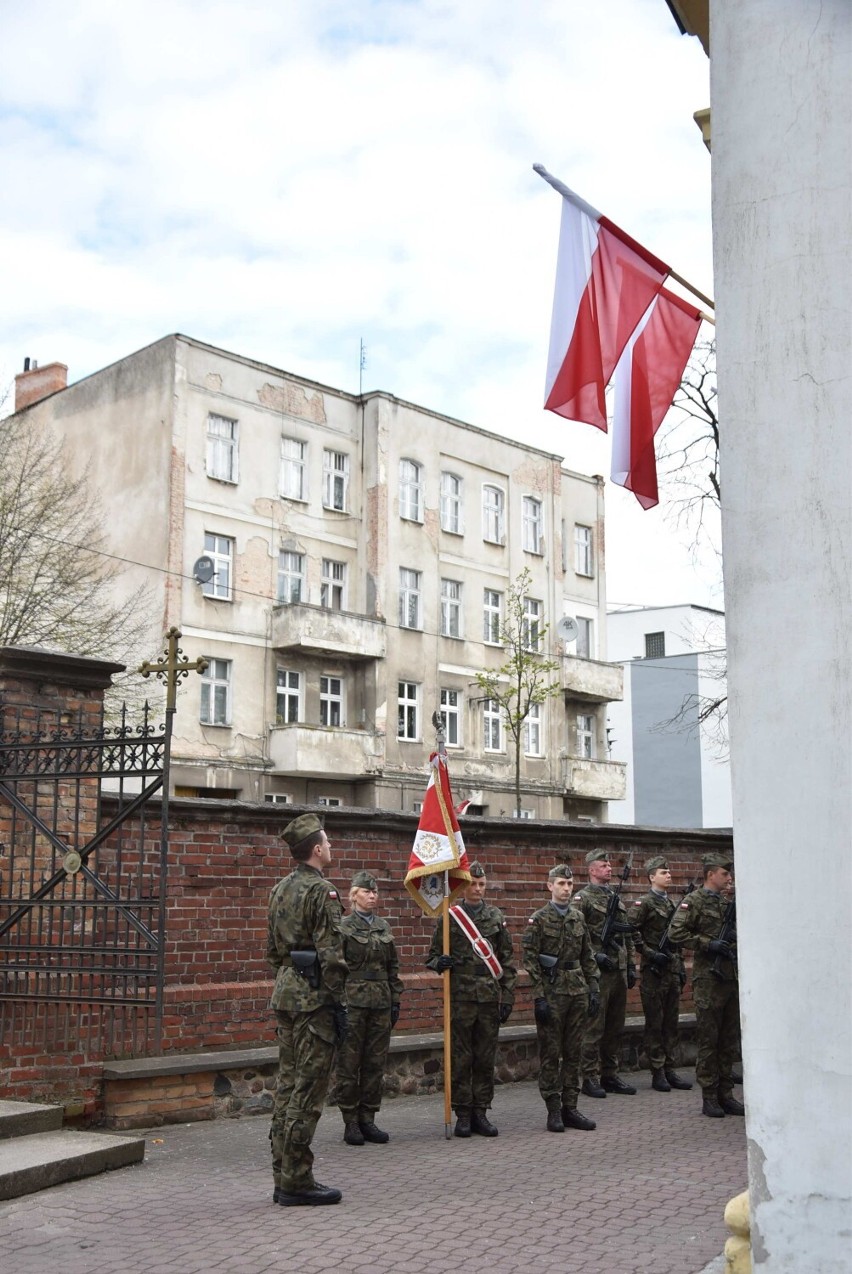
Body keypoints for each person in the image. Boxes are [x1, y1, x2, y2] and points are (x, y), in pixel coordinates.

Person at [266, 814, 348, 1206]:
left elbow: (272, 953)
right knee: (308, 1090)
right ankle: (296, 1180)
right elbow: (332, 955)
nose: (331, 849)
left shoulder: (280, 889)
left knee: (287, 1085)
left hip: (286, 994)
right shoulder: (323, 891)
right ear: (316, 849)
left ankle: (283, 1172)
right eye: (327, 843)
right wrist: (335, 1000)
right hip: (315, 999)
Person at [425, 861, 516, 1137]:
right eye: (472, 884)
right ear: (463, 886)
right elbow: (431, 956)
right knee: (461, 1057)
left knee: (485, 1057)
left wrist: (508, 995)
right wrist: (439, 962)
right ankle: (463, 1113)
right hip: (461, 997)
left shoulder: (495, 916)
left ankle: (481, 1112)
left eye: (482, 884)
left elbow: (507, 959)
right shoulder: (449, 917)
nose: (477, 889)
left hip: (488, 997)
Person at [522, 864, 600, 1132]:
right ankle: (553, 1109)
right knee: (551, 1054)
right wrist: (538, 997)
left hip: (577, 991)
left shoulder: (578, 918)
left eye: (569, 884)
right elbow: (530, 961)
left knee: (573, 1053)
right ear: (550, 886)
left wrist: (594, 989)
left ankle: (571, 1107)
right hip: (553, 993)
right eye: (561, 884)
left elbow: (587, 955)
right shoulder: (539, 919)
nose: (566, 889)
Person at [669, 852, 744, 1119]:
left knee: (728, 1040)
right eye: (724, 874)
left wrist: (731, 944)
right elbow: (675, 933)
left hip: (729, 978)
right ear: (711, 874)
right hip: (708, 980)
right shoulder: (694, 901)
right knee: (709, 1040)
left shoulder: (726, 904)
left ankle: (727, 1094)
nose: (728, 879)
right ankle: (709, 1096)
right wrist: (707, 943)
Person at [332, 870, 403, 1146]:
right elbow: (336, 969)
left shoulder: (383, 927)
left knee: (375, 1063)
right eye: (366, 891)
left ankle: (368, 1118)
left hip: (381, 1003)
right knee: (349, 1064)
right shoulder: (344, 927)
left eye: (375, 892)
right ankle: (350, 1121)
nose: (372, 896)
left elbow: (393, 967)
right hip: (354, 1003)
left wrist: (396, 1000)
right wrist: (339, 1004)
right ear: (354, 896)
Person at [574, 848, 638, 1098]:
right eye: (603, 865)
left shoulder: (616, 898)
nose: (609, 868)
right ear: (591, 870)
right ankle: (589, 1076)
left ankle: (610, 1074)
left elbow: (627, 935)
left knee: (615, 1026)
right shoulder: (583, 898)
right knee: (594, 1027)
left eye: (609, 865)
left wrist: (631, 965)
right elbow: (578, 934)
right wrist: (594, 955)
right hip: (597, 972)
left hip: (618, 971)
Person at [630, 856, 693, 1093]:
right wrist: (648, 953)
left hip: (671, 971)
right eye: (663, 872)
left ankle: (670, 1068)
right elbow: (632, 930)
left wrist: (679, 968)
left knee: (671, 1024)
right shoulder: (644, 903)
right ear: (651, 877)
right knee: (655, 1024)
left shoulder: (672, 904)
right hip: (653, 972)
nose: (668, 875)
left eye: (669, 872)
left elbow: (678, 938)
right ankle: (657, 1071)